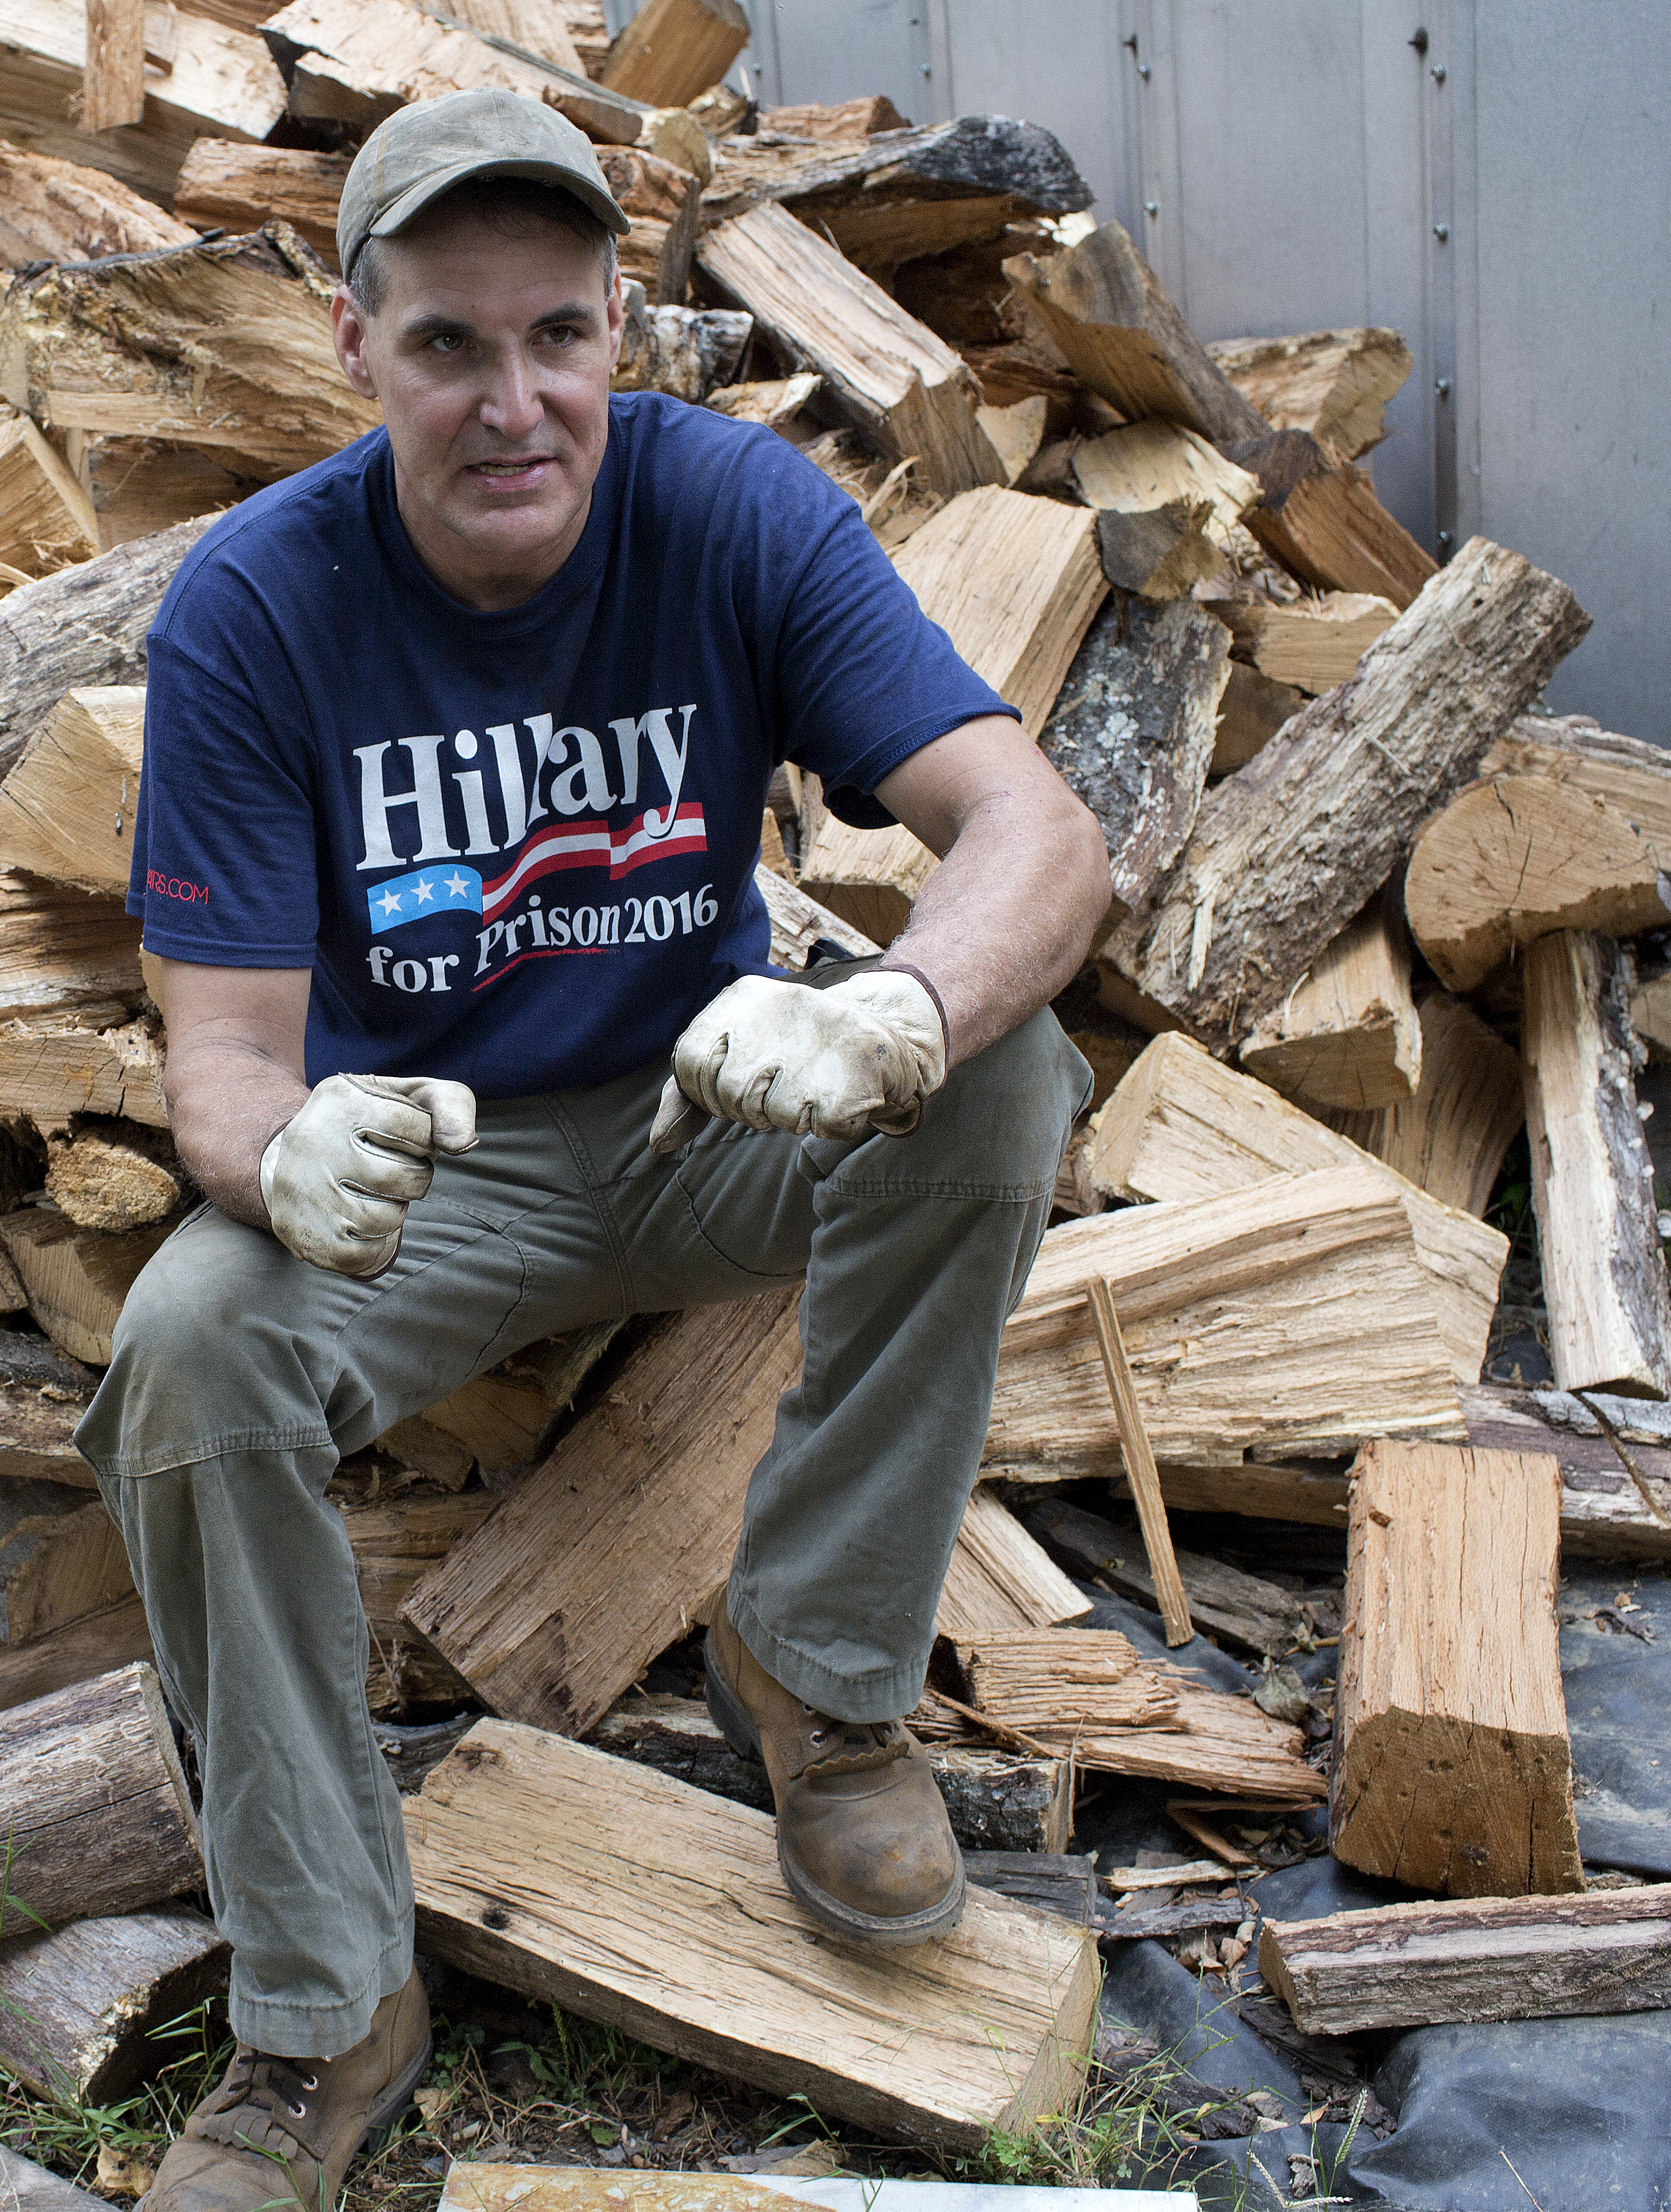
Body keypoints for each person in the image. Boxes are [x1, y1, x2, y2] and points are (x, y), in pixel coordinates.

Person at [78, 85, 1112, 2212]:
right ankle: (329, 2004)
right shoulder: (256, 610)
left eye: (557, 334)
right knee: (189, 1353)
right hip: (427, 1174)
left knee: (1008, 1071)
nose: (513, 399)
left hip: (701, 1112)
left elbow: (1037, 833)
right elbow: (223, 1065)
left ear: (625, 325)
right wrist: (283, 1167)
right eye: (449, 344)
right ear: (354, 346)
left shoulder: (735, 510)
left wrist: (892, 1011)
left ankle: (820, 1686)